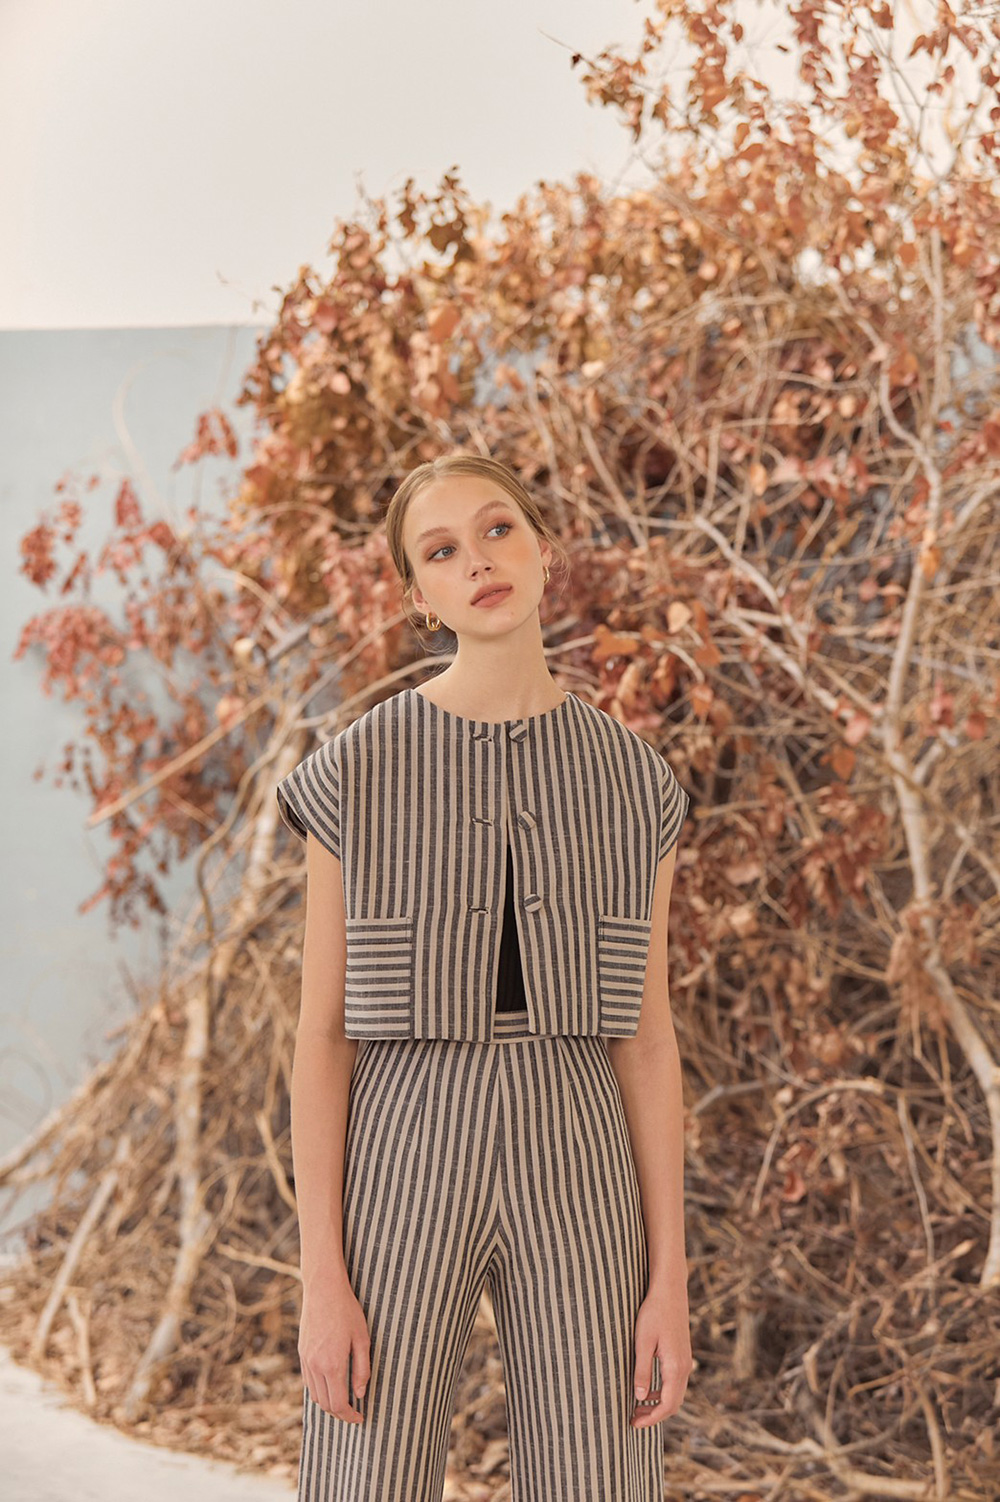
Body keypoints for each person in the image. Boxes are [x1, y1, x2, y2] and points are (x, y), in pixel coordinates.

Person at [276, 454, 692, 1501]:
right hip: (404, 1141)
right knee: (366, 1475)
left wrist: (669, 1278)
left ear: (545, 550)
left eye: (498, 529)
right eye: (442, 550)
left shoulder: (636, 783)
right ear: (419, 596)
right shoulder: (355, 771)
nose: (479, 562)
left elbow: (646, 1040)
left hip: (579, 1146)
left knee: (600, 1479)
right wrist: (322, 1277)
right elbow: (322, 1034)